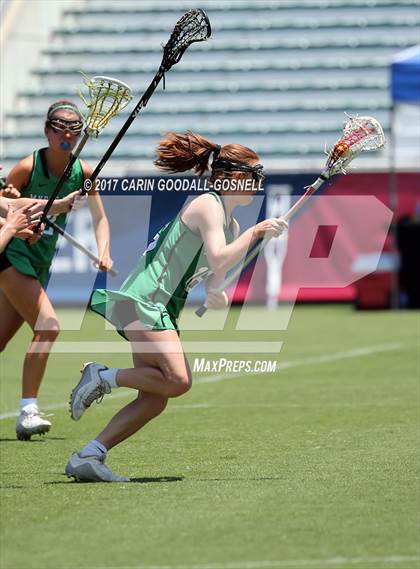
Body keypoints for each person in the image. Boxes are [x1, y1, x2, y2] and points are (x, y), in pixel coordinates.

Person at [65, 131, 288, 482]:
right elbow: (218, 258)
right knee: (179, 380)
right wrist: (257, 233)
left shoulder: (230, 224)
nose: (256, 183)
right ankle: (103, 376)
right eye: (252, 174)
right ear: (231, 175)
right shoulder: (207, 205)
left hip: (157, 306)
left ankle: (89, 454)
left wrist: (217, 294)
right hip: (144, 299)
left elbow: (216, 273)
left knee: (155, 396)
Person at [0, 100, 114, 441]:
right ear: (47, 131)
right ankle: (28, 410)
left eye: (73, 129)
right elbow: (6, 206)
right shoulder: (26, 167)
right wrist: (28, 201)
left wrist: (103, 252)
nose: (66, 134)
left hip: (40, 262)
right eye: (59, 127)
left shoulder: (85, 173)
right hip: (12, 256)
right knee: (48, 327)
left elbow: (100, 218)